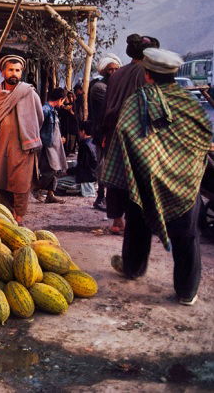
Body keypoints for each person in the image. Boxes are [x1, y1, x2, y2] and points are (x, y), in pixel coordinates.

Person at [102, 48, 211, 306]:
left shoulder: (137, 101)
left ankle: (133, 268)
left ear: (147, 74)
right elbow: (204, 137)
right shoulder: (189, 102)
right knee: (186, 236)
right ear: (173, 74)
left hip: (145, 180)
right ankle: (186, 291)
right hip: (184, 183)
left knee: (138, 222)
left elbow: (123, 136)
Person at [99, 35, 159, 234]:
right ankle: (139, 221)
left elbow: (107, 105)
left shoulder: (117, 74)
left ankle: (117, 221)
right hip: (139, 133)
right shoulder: (149, 73)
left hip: (115, 130)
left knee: (117, 179)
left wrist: (105, 133)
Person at [0, 55, 43, 225]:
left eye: (17, 70)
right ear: (3, 71)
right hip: (1, 146)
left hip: (23, 147)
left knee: (21, 184)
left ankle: (19, 219)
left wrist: (28, 133)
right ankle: (4, 219)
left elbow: (39, 117)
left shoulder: (28, 93)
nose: (14, 73)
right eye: (10, 69)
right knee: (1, 180)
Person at [90, 53, 123, 211]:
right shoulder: (99, 88)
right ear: (104, 71)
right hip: (102, 133)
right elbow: (111, 111)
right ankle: (101, 197)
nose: (114, 72)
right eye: (111, 70)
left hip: (110, 133)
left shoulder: (111, 87)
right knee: (103, 165)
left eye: (116, 69)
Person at [35, 88, 68, 204]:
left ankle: (50, 194)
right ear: (60, 99)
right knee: (50, 170)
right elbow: (37, 128)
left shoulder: (53, 110)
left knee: (56, 169)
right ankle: (36, 188)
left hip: (54, 146)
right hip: (46, 146)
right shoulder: (45, 110)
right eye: (63, 100)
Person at [57, 121, 99, 197]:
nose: (79, 133)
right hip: (94, 175)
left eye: (80, 131)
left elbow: (82, 167)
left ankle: (77, 188)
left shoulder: (84, 145)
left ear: (83, 131)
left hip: (86, 177)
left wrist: (68, 172)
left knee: (57, 183)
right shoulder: (94, 142)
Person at [58, 90, 78, 155]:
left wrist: (71, 112)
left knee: (71, 138)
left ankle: (71, 149)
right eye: (69, 97)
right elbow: (60, 114)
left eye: (72, 97)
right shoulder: (64, 105)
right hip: (65, 124)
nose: (71, 98)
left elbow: (76, 116)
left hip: (72, 125)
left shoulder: (75, 105)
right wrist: (64, 108)